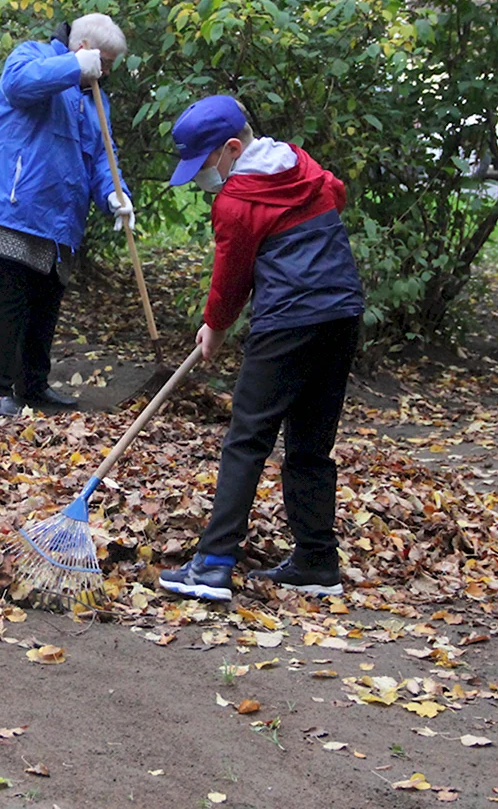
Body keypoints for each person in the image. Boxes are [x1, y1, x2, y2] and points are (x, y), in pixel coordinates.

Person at [156, 95, 364, 600]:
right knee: (310, 444)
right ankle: (317, 561)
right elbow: (334, 193)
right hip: (342, 312)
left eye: (204, 163)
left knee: (247, 439)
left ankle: (211, 565)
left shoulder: (237, 200)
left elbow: (231, 276)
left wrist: (216, 326)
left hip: (289, 319)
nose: (203, 176)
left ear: (231, 148)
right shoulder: (300, 163)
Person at [0, 13, 135, 417]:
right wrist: (73, 66)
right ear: (84, 52)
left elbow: (104, 157)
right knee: (5, 303)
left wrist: (116, 196)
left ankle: (32, 386)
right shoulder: (32, 56)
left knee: (44, 305)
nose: (107, 73)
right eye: (105, 63)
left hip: (57, 220)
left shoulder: (94, 99)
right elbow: (20, 85)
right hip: (7, 208)